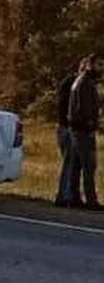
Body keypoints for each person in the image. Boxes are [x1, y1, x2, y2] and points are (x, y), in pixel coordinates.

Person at [67, 53, 104, 210]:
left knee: (76, 166)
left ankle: (74, 197)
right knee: (89, 166)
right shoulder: (85, 83)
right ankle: (91, 200)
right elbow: (85, 109)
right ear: (90, 65)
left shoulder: (81, 82)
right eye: (99, 65)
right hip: (83, 131)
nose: (101, 69)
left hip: (77, 129)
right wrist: (91, 126)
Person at [54, 58, 87, 207]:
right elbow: (64, 107)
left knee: (75, 164)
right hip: (67, 128)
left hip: (69, 128)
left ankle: (71, 195)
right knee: (70, 163)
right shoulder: (72, 84)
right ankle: (64, 196)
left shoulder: (78, 84)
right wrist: (70, 124)